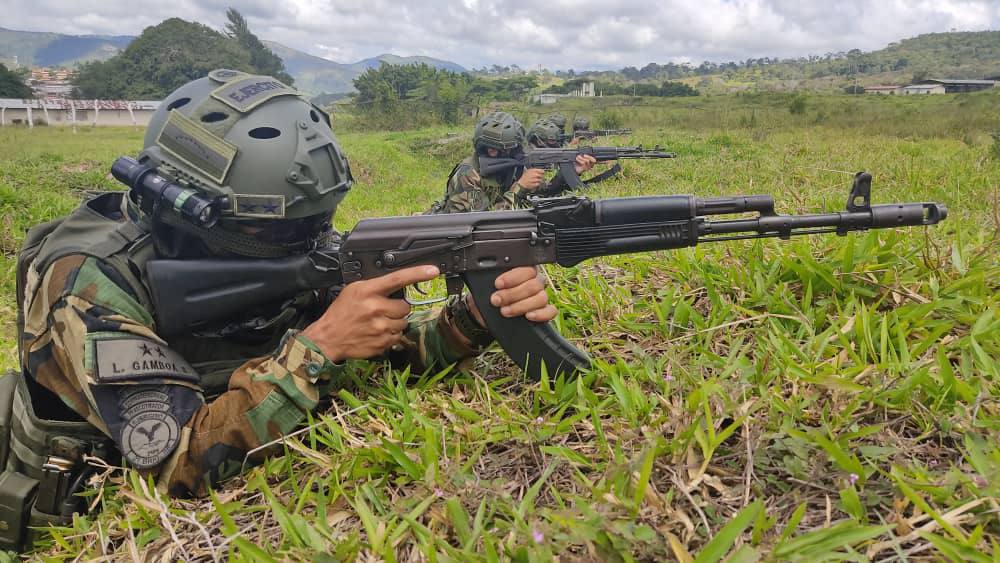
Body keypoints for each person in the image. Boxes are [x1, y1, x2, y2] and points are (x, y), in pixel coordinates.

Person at [3, 70, 557, 550]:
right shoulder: (86, 281)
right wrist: (319, 349)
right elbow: (175, 463)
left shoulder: (289, 241)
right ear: (193, 212)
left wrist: (473, 317)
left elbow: (385, 356)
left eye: (315, 223)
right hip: (90, 516)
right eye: (280, 231)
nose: (309, 242)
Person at [431, 112, 593, 213]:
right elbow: (481, 222)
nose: (493, 153)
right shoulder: (468, 174)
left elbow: (544, 192)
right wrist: (519, 188)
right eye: (489, 149)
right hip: (447, 235)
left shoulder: (514, 166)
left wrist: (572, 171)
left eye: (502, 149)